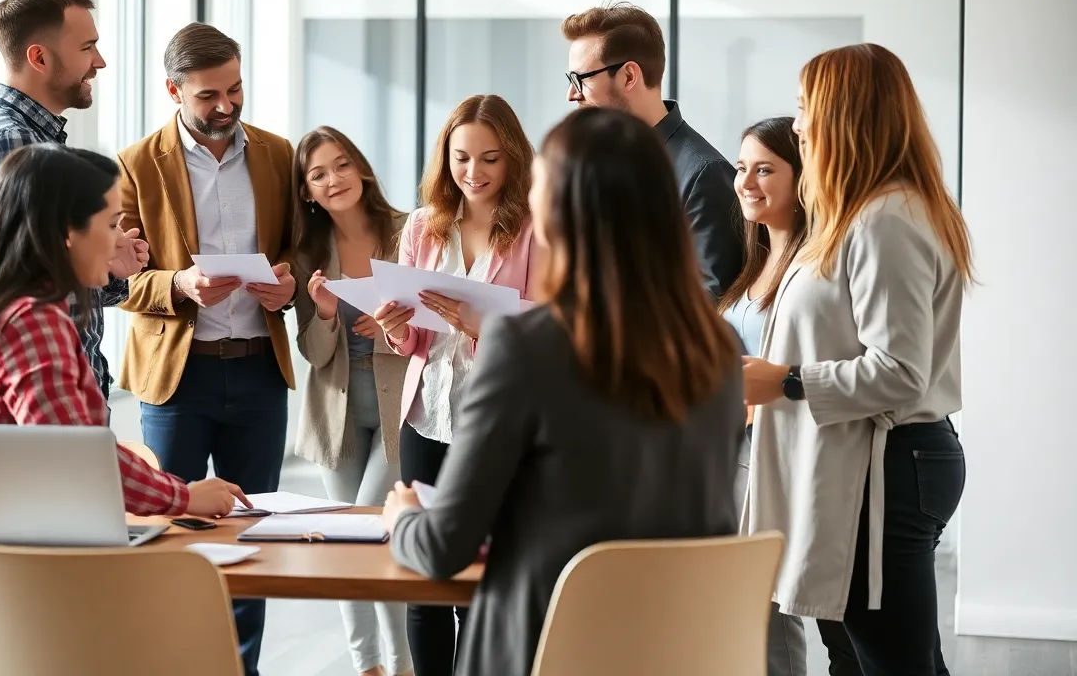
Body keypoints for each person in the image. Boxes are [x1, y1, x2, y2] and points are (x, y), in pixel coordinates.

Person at [381, 106, 745, 676]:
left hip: (545, 649)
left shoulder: (528, 346)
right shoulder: (718, 349)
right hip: (676, 650)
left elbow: (442, 547)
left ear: (557, 213)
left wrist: (403, 515)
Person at [741, 44, 971, 676]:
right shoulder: (868, 213)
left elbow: (898, 371)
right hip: (885, 464)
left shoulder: (885, 219)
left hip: (891, 469)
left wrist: (783, 382)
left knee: (891, 663)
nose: (797, 126)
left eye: (804, 108)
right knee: (900, 658)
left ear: (843, 114)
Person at [0, 144, 248, 519]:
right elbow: (76, 455)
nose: (121, 239)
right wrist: (186, 498)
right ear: (68, 231)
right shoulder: (31, 321)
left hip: (4, 550)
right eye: (112, 224)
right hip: (47, 556)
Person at [116, 22, 297, 676]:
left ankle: (240, 670)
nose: (225, 106)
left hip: (258, 372)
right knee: (172, 536)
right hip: (176, 378)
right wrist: (179, 283)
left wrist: (291, 283)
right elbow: (116, 276)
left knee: (254, 536)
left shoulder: (278, 155)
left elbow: (298, 248)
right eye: (208, 96)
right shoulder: (135, 165)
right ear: (173, 90)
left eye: (236, 89)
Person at [372, 94, 536, 676]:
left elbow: (548, 331)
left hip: (494, 422)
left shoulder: (535, 229)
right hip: (426, 415)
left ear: (514, 158)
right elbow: (414, 337)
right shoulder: (424, 225)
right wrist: (396, 331)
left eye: (490, 158)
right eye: (462, 158)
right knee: (421, 576)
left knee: (481, 572)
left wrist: (480, 326)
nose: (474, 173)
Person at [0, 0, 148, 404]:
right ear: (38, 57)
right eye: (87, 47)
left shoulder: (36, 141)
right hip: (41, 397)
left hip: (62, 391)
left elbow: (51, 271)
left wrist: (107, 264)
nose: (100, 62)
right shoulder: (9, 143)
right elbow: (21, 286)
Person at [292, 126, 413, 676]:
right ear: (307, 192)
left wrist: (392, 321)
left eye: (341, 165)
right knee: (346, 539)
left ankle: (401, 663)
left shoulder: (409, 230)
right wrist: (321, 311)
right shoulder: (308, 254)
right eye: (318, 174)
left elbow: (435, 326)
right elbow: (314, 355)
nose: (333, 179)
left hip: (398, 405)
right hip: (334, 412)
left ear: (360, 168)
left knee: (373, 531)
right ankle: (368, 667)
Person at [561, 1, 742, 299]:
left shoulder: (703, 175)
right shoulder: (595, 165)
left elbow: (708, 305)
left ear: (629, 76)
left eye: (580, 79)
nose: (571, 93)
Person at [720, 116, 810, 676]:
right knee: (744, 608)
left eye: (765, 169)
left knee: (770, 607)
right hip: (733, 453)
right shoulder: (752, 263)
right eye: (741, 168)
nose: (747, 181)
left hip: (772, 453)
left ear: (801, 179)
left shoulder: (809, 266)